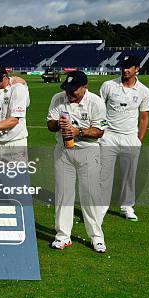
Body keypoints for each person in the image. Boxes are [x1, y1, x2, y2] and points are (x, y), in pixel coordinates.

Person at [47, 71, 108, 253]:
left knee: (89, 195)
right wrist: (60, 124)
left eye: (74, 90)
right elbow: (50, 124)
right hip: (63, 152)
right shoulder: (58, 98)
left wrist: (78, 132)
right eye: (67, 89)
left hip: (88, 152)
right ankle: (62, 236)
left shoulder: (95, 102)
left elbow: (99, 131)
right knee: (63, 194)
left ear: (85, 87)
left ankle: (97, 237)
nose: (69, 94)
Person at [99, 55, 149, 221]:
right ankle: (101, 206)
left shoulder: (144, 90)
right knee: (104, 174)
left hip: (130, 138)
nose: (125, 69)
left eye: (129, 66)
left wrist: (139, 140)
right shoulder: (108, 85)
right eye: (123, 66)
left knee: (129, 175)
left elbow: (144, 117)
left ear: (137, 68)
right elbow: (98, 110)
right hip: (109, 136)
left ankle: (127, 206)